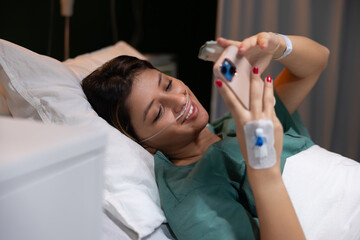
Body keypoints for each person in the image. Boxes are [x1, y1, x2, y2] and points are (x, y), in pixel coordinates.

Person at [81, 32, 359, 239]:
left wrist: (276, 45)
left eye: (167, 84)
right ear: (143, 143)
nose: (178, 100)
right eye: (157, 113)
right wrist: (262, 164)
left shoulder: (236, 124)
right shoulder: (191, 196)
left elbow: (317, 61)